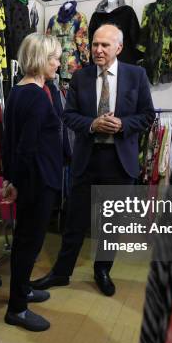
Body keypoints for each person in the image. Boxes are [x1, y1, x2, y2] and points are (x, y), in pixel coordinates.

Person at [31, 23, 155, 296]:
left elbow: (148, 115)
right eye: (95, 44)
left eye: (105, 45)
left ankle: (102, 270)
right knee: (75, 222)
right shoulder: (80, 77)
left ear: (119, 48)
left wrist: (122, 124)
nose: (97, 50)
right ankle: (62, 273)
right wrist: (92, 124)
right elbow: (69, 115)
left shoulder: (136, 75)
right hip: (87, 160)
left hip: (120, 162)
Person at [1, 33, 64, 332]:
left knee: (24, 241)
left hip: (29, 180)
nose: (59, 63)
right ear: (40, 59)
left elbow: (8, 142)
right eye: (54, 58)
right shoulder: (38, 97)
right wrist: (18, 183)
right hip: (38, 182)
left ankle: (22, 290)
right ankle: (17, 309)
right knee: (30, 243)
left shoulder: (18, 91)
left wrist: (11, 179)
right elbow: (25, 147)